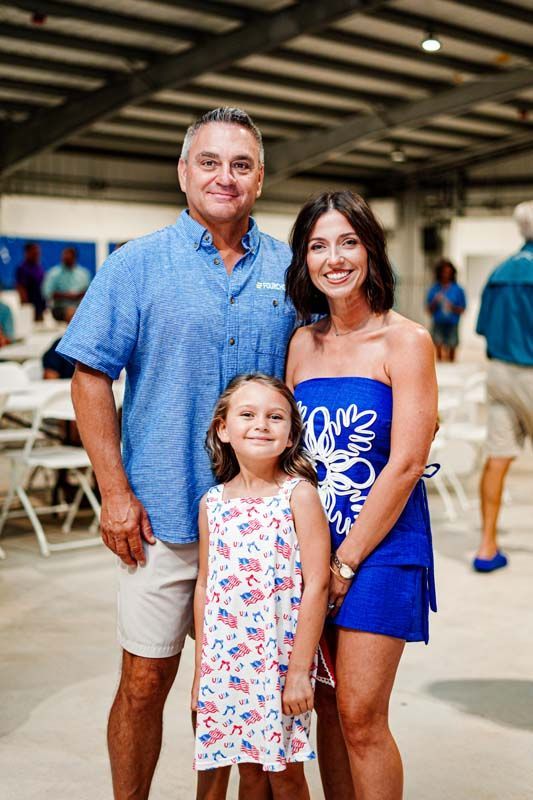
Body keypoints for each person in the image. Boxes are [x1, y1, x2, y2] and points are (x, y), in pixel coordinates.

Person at [56, 107, 297, 800]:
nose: (225, 176)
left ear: (259, 178)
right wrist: (115, 492)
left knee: (250, 699)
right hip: (161, 515)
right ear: (183, 171)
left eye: (242, 164)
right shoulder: (136, 264)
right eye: (210, 161)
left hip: (261, 527)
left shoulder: (289, 268)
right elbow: (90, 374)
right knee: (143, 684)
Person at [285, 190, 438, 800]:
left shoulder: (406, 341)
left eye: (348, 241)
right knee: (325, 707)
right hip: (311, 553)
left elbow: (405, 463)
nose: (334, 258)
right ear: (305, 261)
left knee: (360, 715)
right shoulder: (302, 343)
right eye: (319, 245)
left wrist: (346, 560)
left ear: (371, 250)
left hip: (381, 548)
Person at [192, 374, 329, 797]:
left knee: (285, 774)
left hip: (279, 662)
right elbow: (204, 587)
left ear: (290, 436)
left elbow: (318, 584)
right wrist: (201, 671)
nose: (261, 425)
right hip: (228, 665)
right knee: (248, 772)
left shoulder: (298, 495)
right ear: (223, 428)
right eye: (247, 414)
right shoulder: (212, 503)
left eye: (275, 417)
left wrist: (299, 673)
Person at [474, 200, 533, 573]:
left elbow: (482, 327)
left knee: (497, 459)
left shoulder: (499, 272)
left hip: (498, 374)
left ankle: (486, 546)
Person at [426, 258, 466, 362]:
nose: (446, 275)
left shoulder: (458, 290)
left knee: (452, 345)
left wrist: (452, 307)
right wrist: (435, 301)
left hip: (452, 323)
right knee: (437, 345)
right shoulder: (434, 289)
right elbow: (428, 309)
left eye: (448, 272)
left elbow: (463, 309)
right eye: (444, 272)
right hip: (438, 322)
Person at [43, 246, 91, 320]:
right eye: (64, 256)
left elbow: (89, 293)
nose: (65, 258)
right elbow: (47, 293)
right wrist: (67, 296)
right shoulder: (54, 273)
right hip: (60, 308)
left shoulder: (84, 274)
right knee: (72, 313)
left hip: (79, 307)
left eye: (68, 256)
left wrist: (78, 295)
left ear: (74, 257)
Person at [15, 242, 45, 322]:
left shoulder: (39, 268)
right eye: (34, 253)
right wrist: (26, 306)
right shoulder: (22, 268)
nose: (37, 255)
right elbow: (20, 287)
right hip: (29, 305)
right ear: (27, 253)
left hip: (40, 305)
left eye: (38, 253)